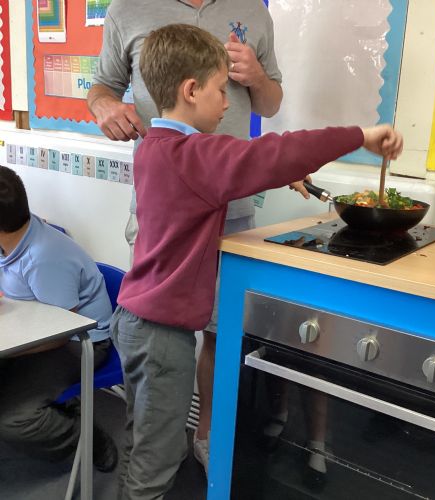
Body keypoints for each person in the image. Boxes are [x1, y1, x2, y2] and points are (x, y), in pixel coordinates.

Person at [110, 23, 403, 500]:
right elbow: (273, 152)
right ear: (190, 90)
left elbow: (225, 172)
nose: (228, 104)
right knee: (157, 462)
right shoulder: (197, 155)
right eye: (221, 90)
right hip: (163, 339)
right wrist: (360, 135)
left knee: (139, 438)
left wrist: (271, 171)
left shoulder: (154, 147)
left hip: (132, 321)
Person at [87, 0, 290, 476]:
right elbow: (101, 85)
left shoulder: (253, 11)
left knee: (221, 331)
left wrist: (257, 78)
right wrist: (104, 105)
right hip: (161, 211)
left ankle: (206, 437)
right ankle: (149, 444)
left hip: (234, 211)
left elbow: (271, 104)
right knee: (157, 331)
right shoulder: (127, 10)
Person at [0, 165, 117, 473]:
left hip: (79, 342)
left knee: (12, 420)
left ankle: (85, 437)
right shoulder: (14, 234)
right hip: (31, 330)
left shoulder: (44, 259)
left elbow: (61, 333)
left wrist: (9, 350)